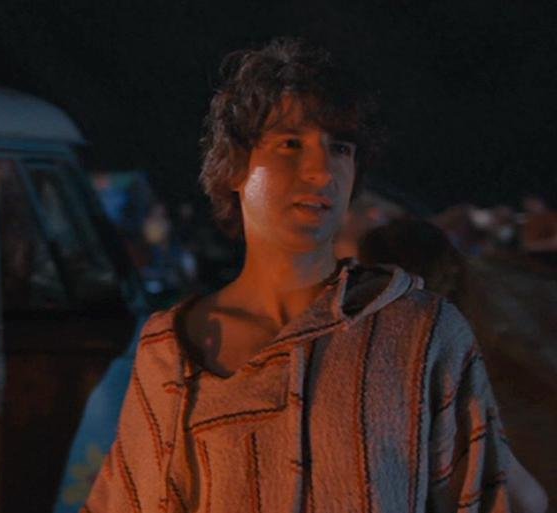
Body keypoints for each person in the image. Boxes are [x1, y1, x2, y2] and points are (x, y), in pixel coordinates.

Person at [83, 38, 546, 512]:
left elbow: (500, 498)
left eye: (339, 147)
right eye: (290, 143)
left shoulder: (421, 334)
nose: (322, 171)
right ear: (235, 167)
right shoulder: (171, 349)